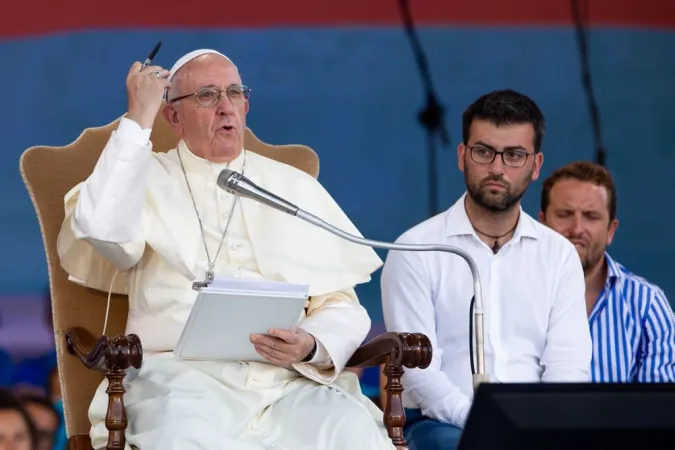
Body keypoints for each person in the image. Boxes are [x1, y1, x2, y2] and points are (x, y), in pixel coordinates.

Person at [56, 49, 392, 450]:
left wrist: (312, 343)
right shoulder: (139, 180)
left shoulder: (291, 186)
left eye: (234, 93)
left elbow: (341, 303)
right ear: (173, 117)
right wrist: (138, 117)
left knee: (350, 433)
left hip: (287, 383)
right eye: (206, 96)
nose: (225, 107)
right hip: (181, 383)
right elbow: (103, 231)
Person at [380, 89, 592, 450]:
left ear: (536, 165)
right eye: (484, 152)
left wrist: (542, 426)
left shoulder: (558, 255)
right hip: (442, 424)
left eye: (514, 155)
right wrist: (488, 424)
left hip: (537, 428)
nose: (497, 168)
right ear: (463, 156)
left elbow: (568, 367)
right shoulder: (415, 249)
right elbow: (419, 375)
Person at [539, 161, 675, 382]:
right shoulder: (511, 295)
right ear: (541, 224)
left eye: (591, 216)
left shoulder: (647, 307)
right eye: (564, 214)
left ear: (610, 231)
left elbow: (656, 412)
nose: (577, 228)